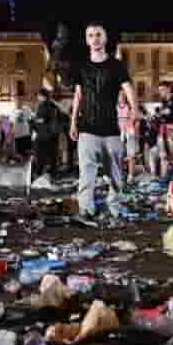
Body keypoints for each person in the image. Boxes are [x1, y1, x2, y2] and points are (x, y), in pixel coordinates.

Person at [69, 23, 137, 218]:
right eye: (90, 35)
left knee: (115, 174)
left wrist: (135, 110)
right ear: (87, 40)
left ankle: (114, 208)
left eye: (98, 35)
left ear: (105, 39)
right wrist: (73, 121)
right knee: (86, 173)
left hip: (111, 129)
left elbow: (128, 88)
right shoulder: (82, 66)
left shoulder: (116, 65)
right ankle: (86, 209)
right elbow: (78, 95)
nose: (95, 38)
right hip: (87, 128)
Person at [33, 88, 61, 180]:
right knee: (52, 155)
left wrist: (33, 121)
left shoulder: (43, 106)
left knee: (40, 155)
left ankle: (39, 174)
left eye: (38, 96)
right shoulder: (54, 105)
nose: (37, 98)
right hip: (53, 135)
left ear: (42, 96)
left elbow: (41, 120)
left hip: (43, 135)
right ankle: (54, 174)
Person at [12, 94, 34, 161]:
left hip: (26, 135)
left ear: (22, 101)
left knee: (27, 153)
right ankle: (21, 167)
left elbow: (32, 119)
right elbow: (12, 124)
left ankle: (29, 167)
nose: (18, 102)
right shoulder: (13, 111)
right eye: (16, 101)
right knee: (19, 154)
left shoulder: (27, 109)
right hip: (17, 135)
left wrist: (31, 132)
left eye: (19, 100)